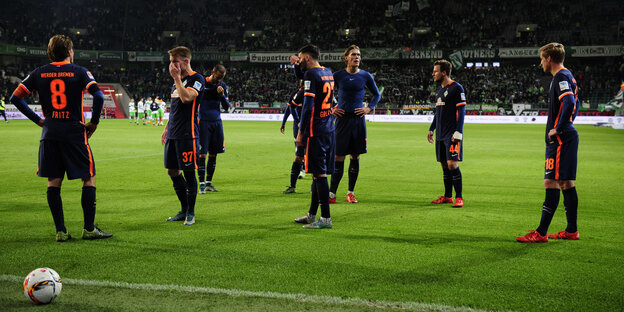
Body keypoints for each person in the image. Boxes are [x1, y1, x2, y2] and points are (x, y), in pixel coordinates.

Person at [9, 34, 112, 241]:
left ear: (50, 52)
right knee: (88, 177)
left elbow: (15, 98)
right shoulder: (80, 71)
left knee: (53, 181)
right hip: (74, 132)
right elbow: (99, 95)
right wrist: (93, 122)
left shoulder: (38, 73)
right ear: (70, 52)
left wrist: (38, 120)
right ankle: (89, 229)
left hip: (50, 132)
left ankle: (61, 231)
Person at [517, 43, 580, 243]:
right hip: (566, 136)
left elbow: (570, 102)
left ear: (549, 59)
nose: (541, 62)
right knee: (565, 182)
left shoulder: (560, 76)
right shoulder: (568, 75)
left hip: (561, 138)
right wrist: (568, 123)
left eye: (542, 59)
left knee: (551, 182)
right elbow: (576, 102)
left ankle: (541, 232)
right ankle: (571, 231)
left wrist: (559, 128)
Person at [329, 45, 381, 204]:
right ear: (346, 58)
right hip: (342, 120)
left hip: (358, 120)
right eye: (353, 55)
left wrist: (369, 108)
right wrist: (331, 108)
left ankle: (350, 193)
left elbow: (376, 94)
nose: (356, 57)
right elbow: (326, 92)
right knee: (338, 157)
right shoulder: (337, 75)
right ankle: (332, 194)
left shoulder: (366, 76)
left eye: (358, 54)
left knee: (355, 156)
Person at [292, 44, 335, 229]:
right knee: (318, 174)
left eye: (300, 58)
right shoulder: (328, 72)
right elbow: (304, 76)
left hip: (315, 131)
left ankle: (325, 218)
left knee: (319, 174)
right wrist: (295, 67)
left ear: (308, 58)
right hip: (328, 128)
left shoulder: (311, 75)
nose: (299, 61)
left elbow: (308, 106)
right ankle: (311, 214)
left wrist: (301, 132)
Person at [161, 46, 205, 226]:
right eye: (171, 61)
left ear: (186, 61)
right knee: (172, 171)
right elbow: (175, 106)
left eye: (174, 61)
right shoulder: (176, 81)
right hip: (173, 132)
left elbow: (187, 99)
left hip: (188, 134)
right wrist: (166, 127)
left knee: (188, 173)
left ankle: (191, 213)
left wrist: (177, 78)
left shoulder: (197, 79)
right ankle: (183, 208)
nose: (171, 65)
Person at [427, 59, 465, 208]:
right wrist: (431, 129)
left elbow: (461, 111)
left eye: (435, 71)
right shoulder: (440, 91)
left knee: (452, 164)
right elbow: (438, 113)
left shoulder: (456, 88)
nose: (433, 74)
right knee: (444, 164)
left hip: (452, 134)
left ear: (444, 73)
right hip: (440, 135)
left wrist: (458, 132)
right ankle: (448, 196)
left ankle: (459, 197)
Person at [197, 65, 230, 194]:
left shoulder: (223, 86)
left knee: (213, 153)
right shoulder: (202, 83)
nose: (219, 80)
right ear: (212, 72)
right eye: (218, 77)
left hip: (216, 122)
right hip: (203, 121)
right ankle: (201, 184)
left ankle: (209, 183)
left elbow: (227, 107)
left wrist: (222, 96)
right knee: (202, 154)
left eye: (222, 78)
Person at [281, 81, 306, 194]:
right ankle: (293, 185)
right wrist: (284, 122)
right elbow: (289, 108)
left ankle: (314, 185)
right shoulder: (297, 94)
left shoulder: (315, 92)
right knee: (298, 154)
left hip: (313, 127)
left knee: (313, 154)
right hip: (299, 127)